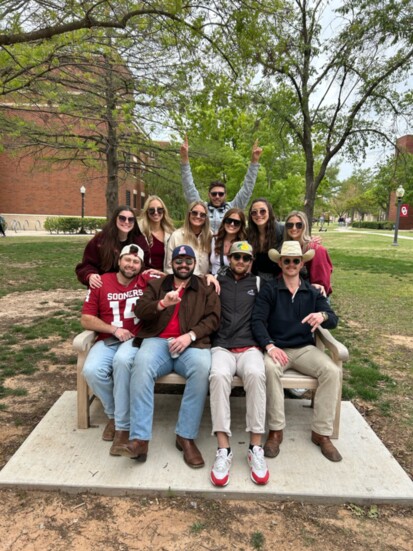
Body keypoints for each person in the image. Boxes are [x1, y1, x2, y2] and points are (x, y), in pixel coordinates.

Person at [117, 245, 221, 467]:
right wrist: (163, 303)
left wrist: (190, 336)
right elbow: (140, 310)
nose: (183, 265)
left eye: (188, 261)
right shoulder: (157, 285)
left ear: (195, 264)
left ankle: (185, 436)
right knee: (142, 364)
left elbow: (213, 318)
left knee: (202, 368)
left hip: (191, 344)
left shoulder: (204, 287)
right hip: (158, 341)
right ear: (171, 263)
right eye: (179, 260)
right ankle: (140, 439)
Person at [251, 241, 343, 462]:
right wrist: (270, 346)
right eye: (286, 261)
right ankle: (275, 430)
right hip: (277, 348)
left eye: (295, 261)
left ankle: (321, 433)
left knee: (332, 371)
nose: (291, 264)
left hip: (304, 349)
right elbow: (257, 322)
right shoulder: (270, 289)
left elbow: (333, 319)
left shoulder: (312, 292)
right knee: (269, 369)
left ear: (302, 263)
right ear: (280, 263)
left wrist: (323, 316)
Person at [81, 244, 154, 455]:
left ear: (141, 266)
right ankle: (114, 414)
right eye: (127, 260)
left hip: (134, 340)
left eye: (136, 262)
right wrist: (113, 329)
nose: (131, 265)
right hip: (108, 338)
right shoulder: (101, 281)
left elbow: (176, 278)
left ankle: (122, 426)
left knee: (121, 362)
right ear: (119, 261)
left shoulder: (145, 281)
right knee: (91, 370)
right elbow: (86, 318)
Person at [209, 241, 269, 487]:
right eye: (236, 257)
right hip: (222, 346)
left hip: (249, 347)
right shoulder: (216, 282)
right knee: (218, 377)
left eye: (246, 258)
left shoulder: (258, 284)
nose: (241, 262)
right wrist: (206, 276)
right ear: (229, 258)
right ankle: (224, 449)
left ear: (251, 261)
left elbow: (289, 285)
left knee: (256, 374)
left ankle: (256, 446)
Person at [180, 136, 263, 233]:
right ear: (209, 194)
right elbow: (188, 187)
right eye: (214, 194)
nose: (217, 196)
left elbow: (247, 188)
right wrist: (184, 159)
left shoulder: (233, 208)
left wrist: (254, 162)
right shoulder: (201, 209)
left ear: (225, 195)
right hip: (203, 246)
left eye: (220, 194)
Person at [75, 205, 149, 288]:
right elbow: (86, 265)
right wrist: (90, 275)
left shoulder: (139, 240)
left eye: (131, 219)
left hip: (130, 288)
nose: (126, 222)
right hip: (105, 287)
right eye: (122, 218)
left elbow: (145, 265)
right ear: (115, 219)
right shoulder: (100, 240)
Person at [283, 210, 333, 297]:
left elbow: (321, 284)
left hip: (313, 298)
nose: (294, 228)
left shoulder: (316, 250)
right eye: (290, 225)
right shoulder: (286, 248)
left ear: (305, 226)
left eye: (299, 225)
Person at [164, 201, 211, 275]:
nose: (198, 216)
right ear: (189, 214)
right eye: (194, 213)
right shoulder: (176, 236)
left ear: (206, 218)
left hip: (203, 282)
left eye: (202, 215)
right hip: (182, 281)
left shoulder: (210, 236)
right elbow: (169, 266)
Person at [246, 198, 284, 282]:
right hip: (255, 279)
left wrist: (311, 239)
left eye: (262, 211)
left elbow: (298, 237)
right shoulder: (248, 234)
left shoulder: (282, 231)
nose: (258, 215)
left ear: (269, 212)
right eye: (254, 212)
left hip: (279, 278)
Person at [138, 195, 175, 270]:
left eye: (159, 210)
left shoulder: (171, 233)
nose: (156, 213)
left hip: (165, 277)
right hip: (144, 276)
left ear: (164, 211)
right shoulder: (139, 232)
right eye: (152, 210)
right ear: (147, 212)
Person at [210, 208, 247, 275]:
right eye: (229, 220)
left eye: (236, 222)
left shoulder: (244, 245)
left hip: (232, 283)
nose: (232, 224)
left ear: (241, 225)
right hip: (213, 281)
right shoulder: (215, 239)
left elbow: (245, 272)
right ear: (224, 221)